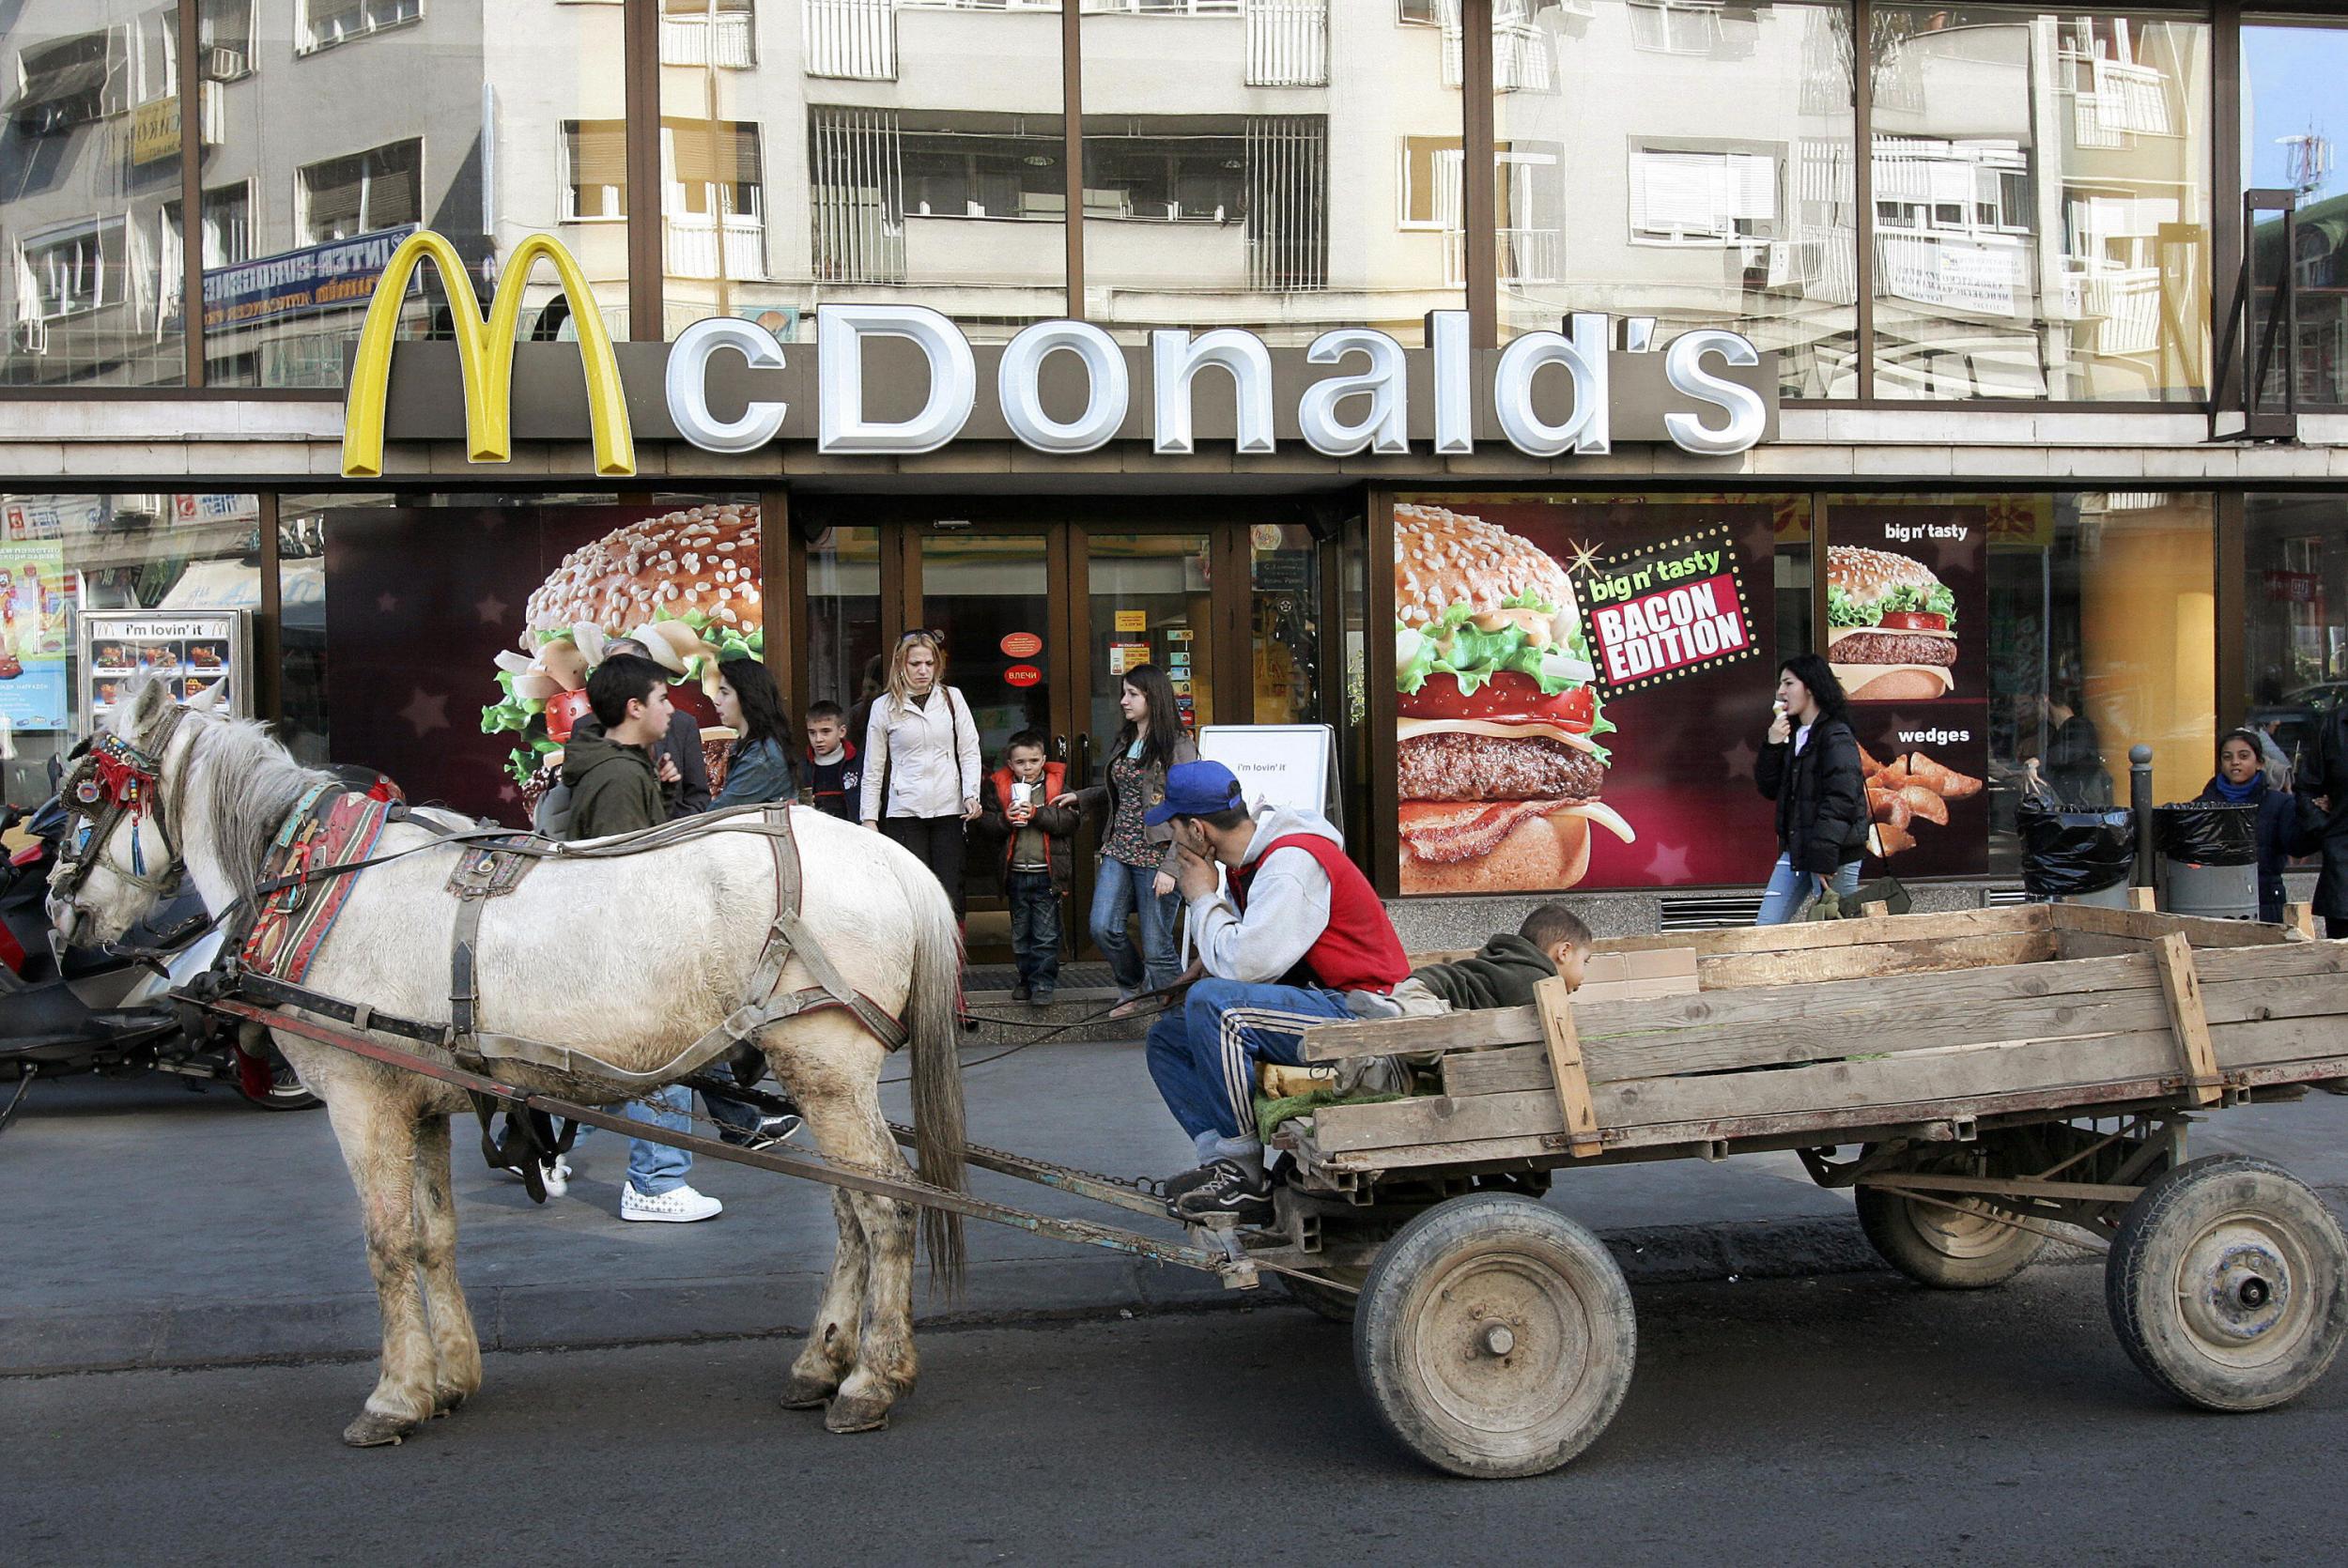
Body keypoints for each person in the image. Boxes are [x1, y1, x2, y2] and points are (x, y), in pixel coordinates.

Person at [1143, 760, 1412, 1225]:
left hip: (1366, 1020)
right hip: (1324, 1005)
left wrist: (1202, 898)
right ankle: (1222, 1164)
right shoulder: (1253, 860)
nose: (1171, 841)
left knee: (1217, 1006)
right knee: (1168, 1037)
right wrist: (1202, 965)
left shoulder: (1290, 863)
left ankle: (1243, 1177)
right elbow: (1258, 956)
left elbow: (1248, 966)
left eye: (1174, 828)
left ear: (1197, 829)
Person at [560, 654, 723, 1223]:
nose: (670, 708)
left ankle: (537, 1145)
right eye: (662, 699)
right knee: (664, 1058)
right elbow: (623, 879)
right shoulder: (621, 777)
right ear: (635, 709)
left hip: (612, 944)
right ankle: (654, 1183)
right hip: (626, 949)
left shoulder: (627, 768)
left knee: (578, 1062)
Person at [1054, 663, 1197, 1019]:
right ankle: (1132, 987)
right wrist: (1084, 797)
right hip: (1119, 847)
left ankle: (1182, 1016)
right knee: (1102, 926)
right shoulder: (1126, 738)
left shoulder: (1179, 746)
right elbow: (1125, 789)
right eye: (1124, 693)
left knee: (1158, 946)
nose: (1123, 701)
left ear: (1154, 697)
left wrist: (1172, 867)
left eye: (1132, 694)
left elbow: (1190, 809)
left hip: (1159, 855)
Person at [860, 630, 982, 920]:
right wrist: (869, 818)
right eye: (915, 663)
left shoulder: (953, 698)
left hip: (949, 808)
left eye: (929, 663)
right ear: (901, 664)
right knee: (913, 892)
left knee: (950, 891)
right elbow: (873, 767)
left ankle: (951, 962)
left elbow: (969, 750)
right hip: (905, 810)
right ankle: (918, 961)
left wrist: (971, 795)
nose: (923, 670)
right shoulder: (883, 706)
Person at [1754, 653, 1869, 926]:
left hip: (1834, 854)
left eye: (1788, 683)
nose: (1781, 691)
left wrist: (1824, 858)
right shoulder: (1793, 734)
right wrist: (1772, 744)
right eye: (1780, 684)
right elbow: (1769, 788)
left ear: (1810, 687)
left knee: (1837, 931)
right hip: (1797, 850)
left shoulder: (1835, 735)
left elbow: (1842, 799)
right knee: (1765, 929)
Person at [977, 730, 1077, 1006]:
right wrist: (1005, 820)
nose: (1028, 767)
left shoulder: (1056, 786)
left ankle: (1043, 983)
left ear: (1044, 759)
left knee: (1046, 933)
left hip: (1047, 872)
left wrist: (1036, 813)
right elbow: (985, 823)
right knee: (1021, 933)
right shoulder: (999, 786)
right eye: (1021, 762)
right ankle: (1025, 978)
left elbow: (1069, 822)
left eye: (1034, 761)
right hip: (1017, 872)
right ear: (1010, 763)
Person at [1407, 903, 1593, 1011]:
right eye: (1585, 961)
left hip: (1424, 985)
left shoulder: (1509, 963)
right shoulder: (1536, 982)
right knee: (1436, 1046)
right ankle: (1392, 1008)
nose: (1584, 975)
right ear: (1564, 952)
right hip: (1432, 1000)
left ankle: (1390, 1007)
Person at [2199, 729, 2297, 926]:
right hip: (2213, 901)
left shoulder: (2280, 804)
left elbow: (2297, 846)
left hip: (2265, 900)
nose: (2235, 762)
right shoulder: (2202, 805)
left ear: (2259, 762)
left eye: (2243, 756)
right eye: (2227, 757)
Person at [711, 656, 799, 808]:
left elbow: (719, 814)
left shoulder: (762, 757)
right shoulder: (752, 747)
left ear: (747, 696)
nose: (717, 700)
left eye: (725, 693)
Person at [800, 699, 861, 821]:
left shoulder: (858, 762)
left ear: (842, 731)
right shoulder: (802, 767)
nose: (818, 739)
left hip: (851, 831)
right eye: (812, 733)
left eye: (825, 732)